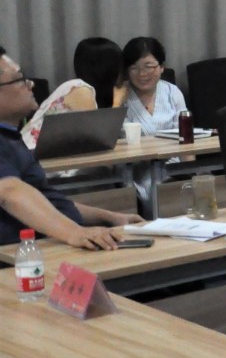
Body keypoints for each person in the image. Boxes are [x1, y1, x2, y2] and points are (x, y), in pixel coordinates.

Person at [0, 46, 141, 248]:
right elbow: (9, 192)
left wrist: (111, 217)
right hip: (25, 255)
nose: (31, 84)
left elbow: (49, 203)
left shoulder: (11, 138)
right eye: (20, 79)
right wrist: (76, 232)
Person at [22, 36, 123, 149]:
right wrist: (118, 100)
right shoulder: (81, 90)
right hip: (33, 154)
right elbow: (96, 139)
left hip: (45, 153)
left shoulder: (75, 86)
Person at [120, 36, 187, 135]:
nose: (142, 74)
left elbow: (183, 132)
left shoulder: (172, 92)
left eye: (149, 67)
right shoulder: (119, 94)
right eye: (134, 68)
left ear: (162, 67)